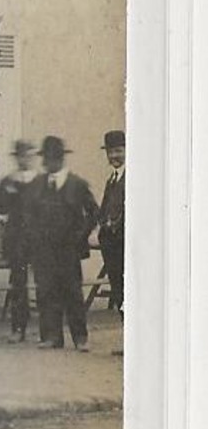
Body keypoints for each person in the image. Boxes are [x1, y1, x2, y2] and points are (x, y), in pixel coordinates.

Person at [26, 135, 100, 352]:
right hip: (44, 250)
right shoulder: (37, 184)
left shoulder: (77, 184)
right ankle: (51, 336)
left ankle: (80, 337)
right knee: (46, 291)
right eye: (45, 158)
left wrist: (80, 236)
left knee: (72, 292)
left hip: (68, 249)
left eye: (51, 158)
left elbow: (93, 213)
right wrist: (35, 236)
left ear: (59, 159)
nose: (47, 163)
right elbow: (28, 213)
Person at [0, 139, 39, 342]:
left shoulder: (41, 182)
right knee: (18, 283)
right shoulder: (8, 181)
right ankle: (18, 328)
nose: (25, 160)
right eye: (22, 156)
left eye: (29, 156)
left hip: (38, 239)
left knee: (43, 283)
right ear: (17, 158)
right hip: (17, 239)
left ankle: (47, 331)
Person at [97, 129, 125, 315]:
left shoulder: (133, 178)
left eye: (118, 151)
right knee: (118, 291)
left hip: (125, 244)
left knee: (129, 290)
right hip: (111, 246)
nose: (114, 156)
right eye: (110, 152)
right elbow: (104, 210)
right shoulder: (111, 180)